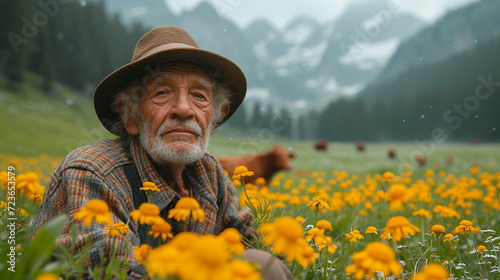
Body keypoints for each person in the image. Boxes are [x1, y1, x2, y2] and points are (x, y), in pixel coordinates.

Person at [32, 26, 293, 279]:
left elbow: (248, 241)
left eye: (199, 95)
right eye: (162, 92)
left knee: (261, 263)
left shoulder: (210, 173)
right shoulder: (93, 173)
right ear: (129, 116)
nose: (183, 109)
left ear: (213, 120)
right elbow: (110, 270)